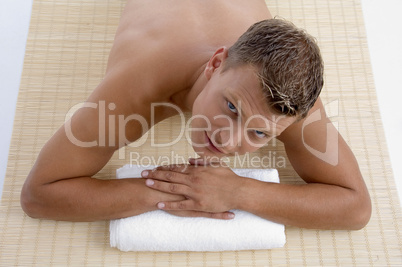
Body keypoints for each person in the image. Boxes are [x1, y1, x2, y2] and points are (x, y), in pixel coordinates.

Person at [20, 0, 371, 230]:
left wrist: (240, 192)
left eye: (259, 134)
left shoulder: (292, 101)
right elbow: (39, 194)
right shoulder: (139, 85)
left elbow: (355, 207)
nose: (228, 140)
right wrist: (175, 190)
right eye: (231, 107)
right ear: (216, 63)